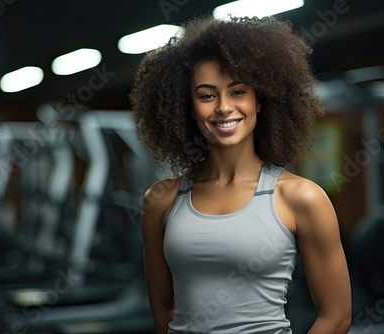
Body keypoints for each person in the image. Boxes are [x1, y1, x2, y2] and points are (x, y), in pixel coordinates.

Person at [130, 15, 351, 334]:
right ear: (189, 109)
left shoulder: (302, 197)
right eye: (207, 95)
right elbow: (163, 309)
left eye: (237, 92)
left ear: (259, 101)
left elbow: (337, 316)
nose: (223, 107)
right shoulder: (160, 201)